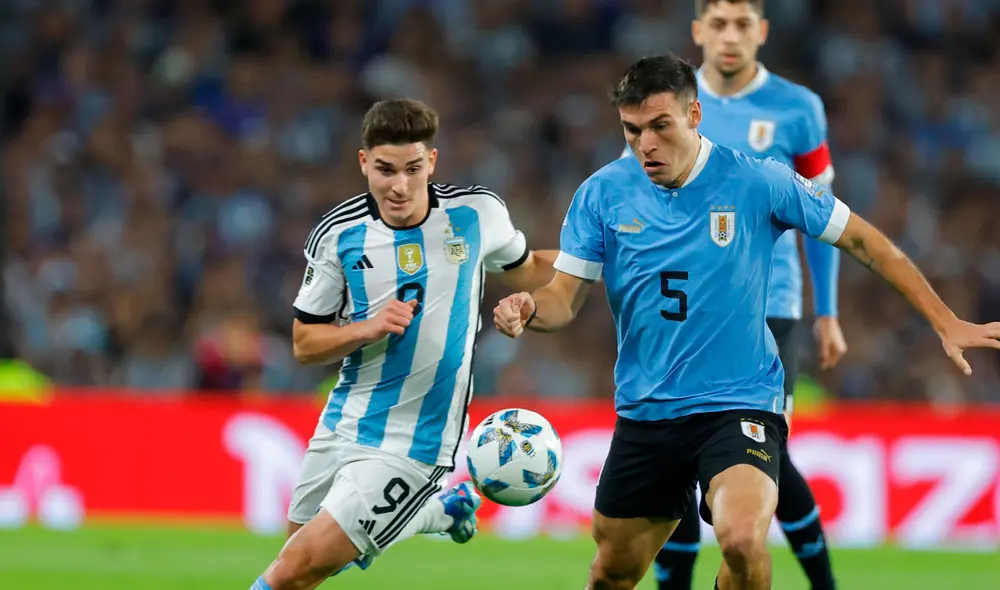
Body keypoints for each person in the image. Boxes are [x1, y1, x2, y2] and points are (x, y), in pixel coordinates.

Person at [494, 54, 1000, 590]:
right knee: (611, 573)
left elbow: (862, 240)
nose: (646, 144)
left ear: (694, 115)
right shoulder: (602, 193)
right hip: (646, 413)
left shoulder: (757, 181)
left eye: (660, 126)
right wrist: (530, 309)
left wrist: (945, 320)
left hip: (738, 403)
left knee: (741, 540)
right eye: (633, 130)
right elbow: (564, 298)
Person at [250, 98, 556, 590]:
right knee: (304, 564)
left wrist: (597, 260)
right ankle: (440, 512)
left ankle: (433, 506)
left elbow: (531, 268)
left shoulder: (476, 213)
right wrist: (364, 329)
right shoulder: (339, 234)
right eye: (386, 170)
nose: (400, 185)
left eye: (413, 169)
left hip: (419, 440)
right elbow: (305, 344)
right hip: (345, 419)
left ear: (431, 162)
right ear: (364, 163)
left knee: (292, 571)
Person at [620, 1, 845, 587]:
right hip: (683, 312)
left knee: (768, 459)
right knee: (676, 455)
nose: (729, 36)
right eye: (718, 23)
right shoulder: (665, 106)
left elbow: (823, 217)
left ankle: (822, 583)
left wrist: (827, 311)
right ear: (698, 30)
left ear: (761, 31)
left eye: (742, 24)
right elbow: (631, 203)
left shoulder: (798, 109)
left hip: (771, 307)